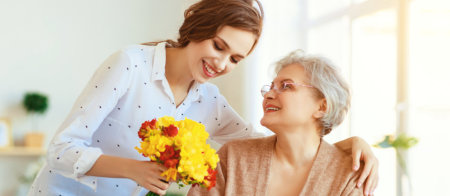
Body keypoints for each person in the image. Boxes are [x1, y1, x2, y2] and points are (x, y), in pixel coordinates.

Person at [28, 0, 377, 195]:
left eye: (235, 59)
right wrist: (136, 171)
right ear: (199, 30)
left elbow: (276, 142)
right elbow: (60, 150)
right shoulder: (130, 64)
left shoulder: (209, 101)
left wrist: (348, 146)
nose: (221, 64)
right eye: (218, 46)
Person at [188, 50, 375, 196]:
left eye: (286, 86)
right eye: (270, 87)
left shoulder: (348, 177)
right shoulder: (232, 157)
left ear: (322, 106)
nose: (269, 95)